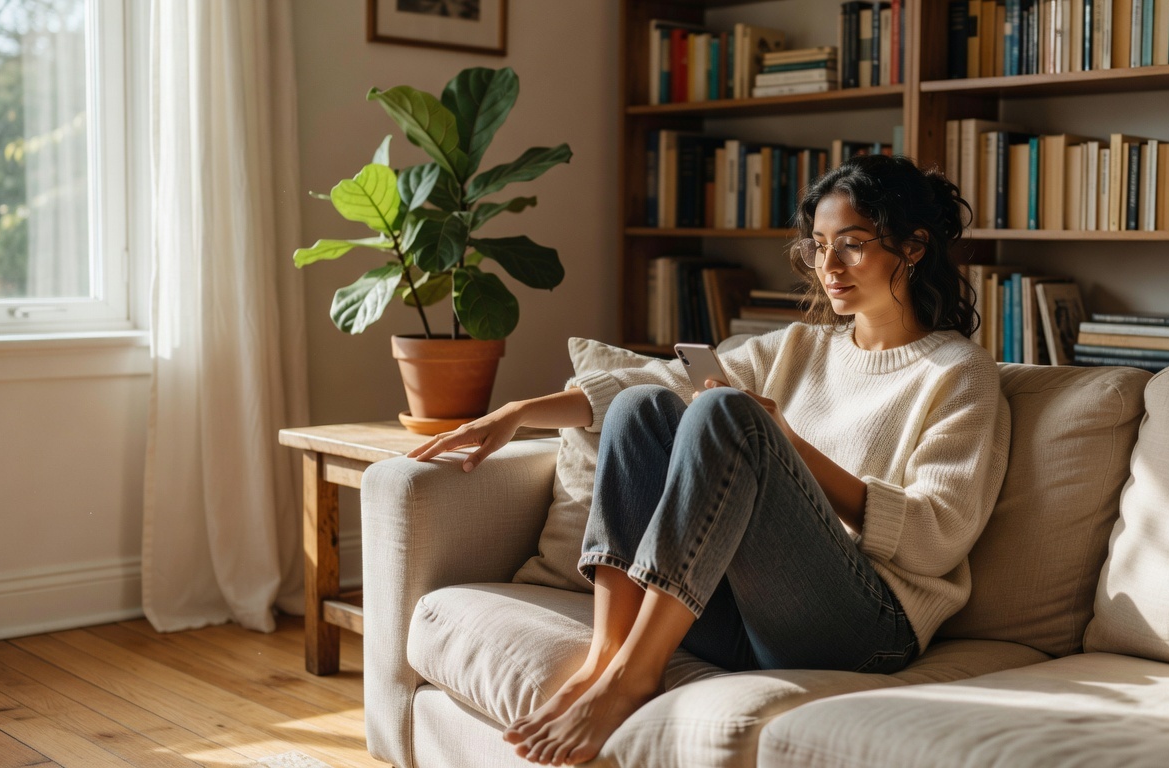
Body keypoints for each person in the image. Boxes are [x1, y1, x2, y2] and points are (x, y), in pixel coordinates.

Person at [409, 153, 1011, 766]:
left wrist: (786, 444)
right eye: (818, 246)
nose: (829, 267)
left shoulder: (959, 373)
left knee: (730, 416)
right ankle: (605, 657)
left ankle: (633, 679)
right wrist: (516, 412)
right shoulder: (801, 345)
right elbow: (652, 380)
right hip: (747, 616)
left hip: (865, 629)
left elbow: (936, 540)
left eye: (852, 245)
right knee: (644, 404)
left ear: (913, 247)